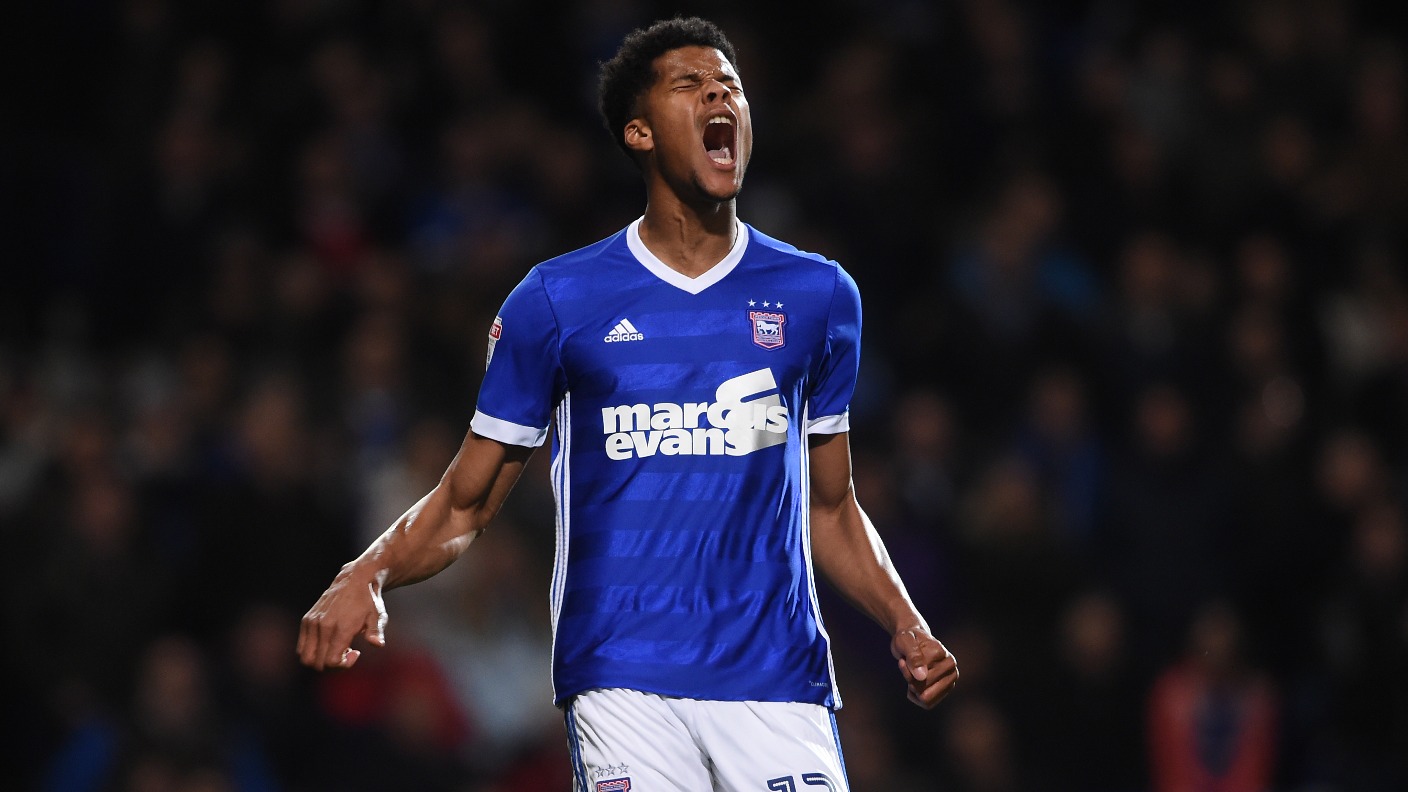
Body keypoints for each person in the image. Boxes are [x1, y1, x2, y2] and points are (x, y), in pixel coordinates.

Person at [298, 16, 958, 791]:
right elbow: (466, 501)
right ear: (639, 132)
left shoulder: (819, 296)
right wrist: (367, 572)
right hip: (624, 681)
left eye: (730, 85)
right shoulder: (558, 300)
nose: (719, 95)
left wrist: (904, 621)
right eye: (691, 84)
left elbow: (830, 507)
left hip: (777, 679)